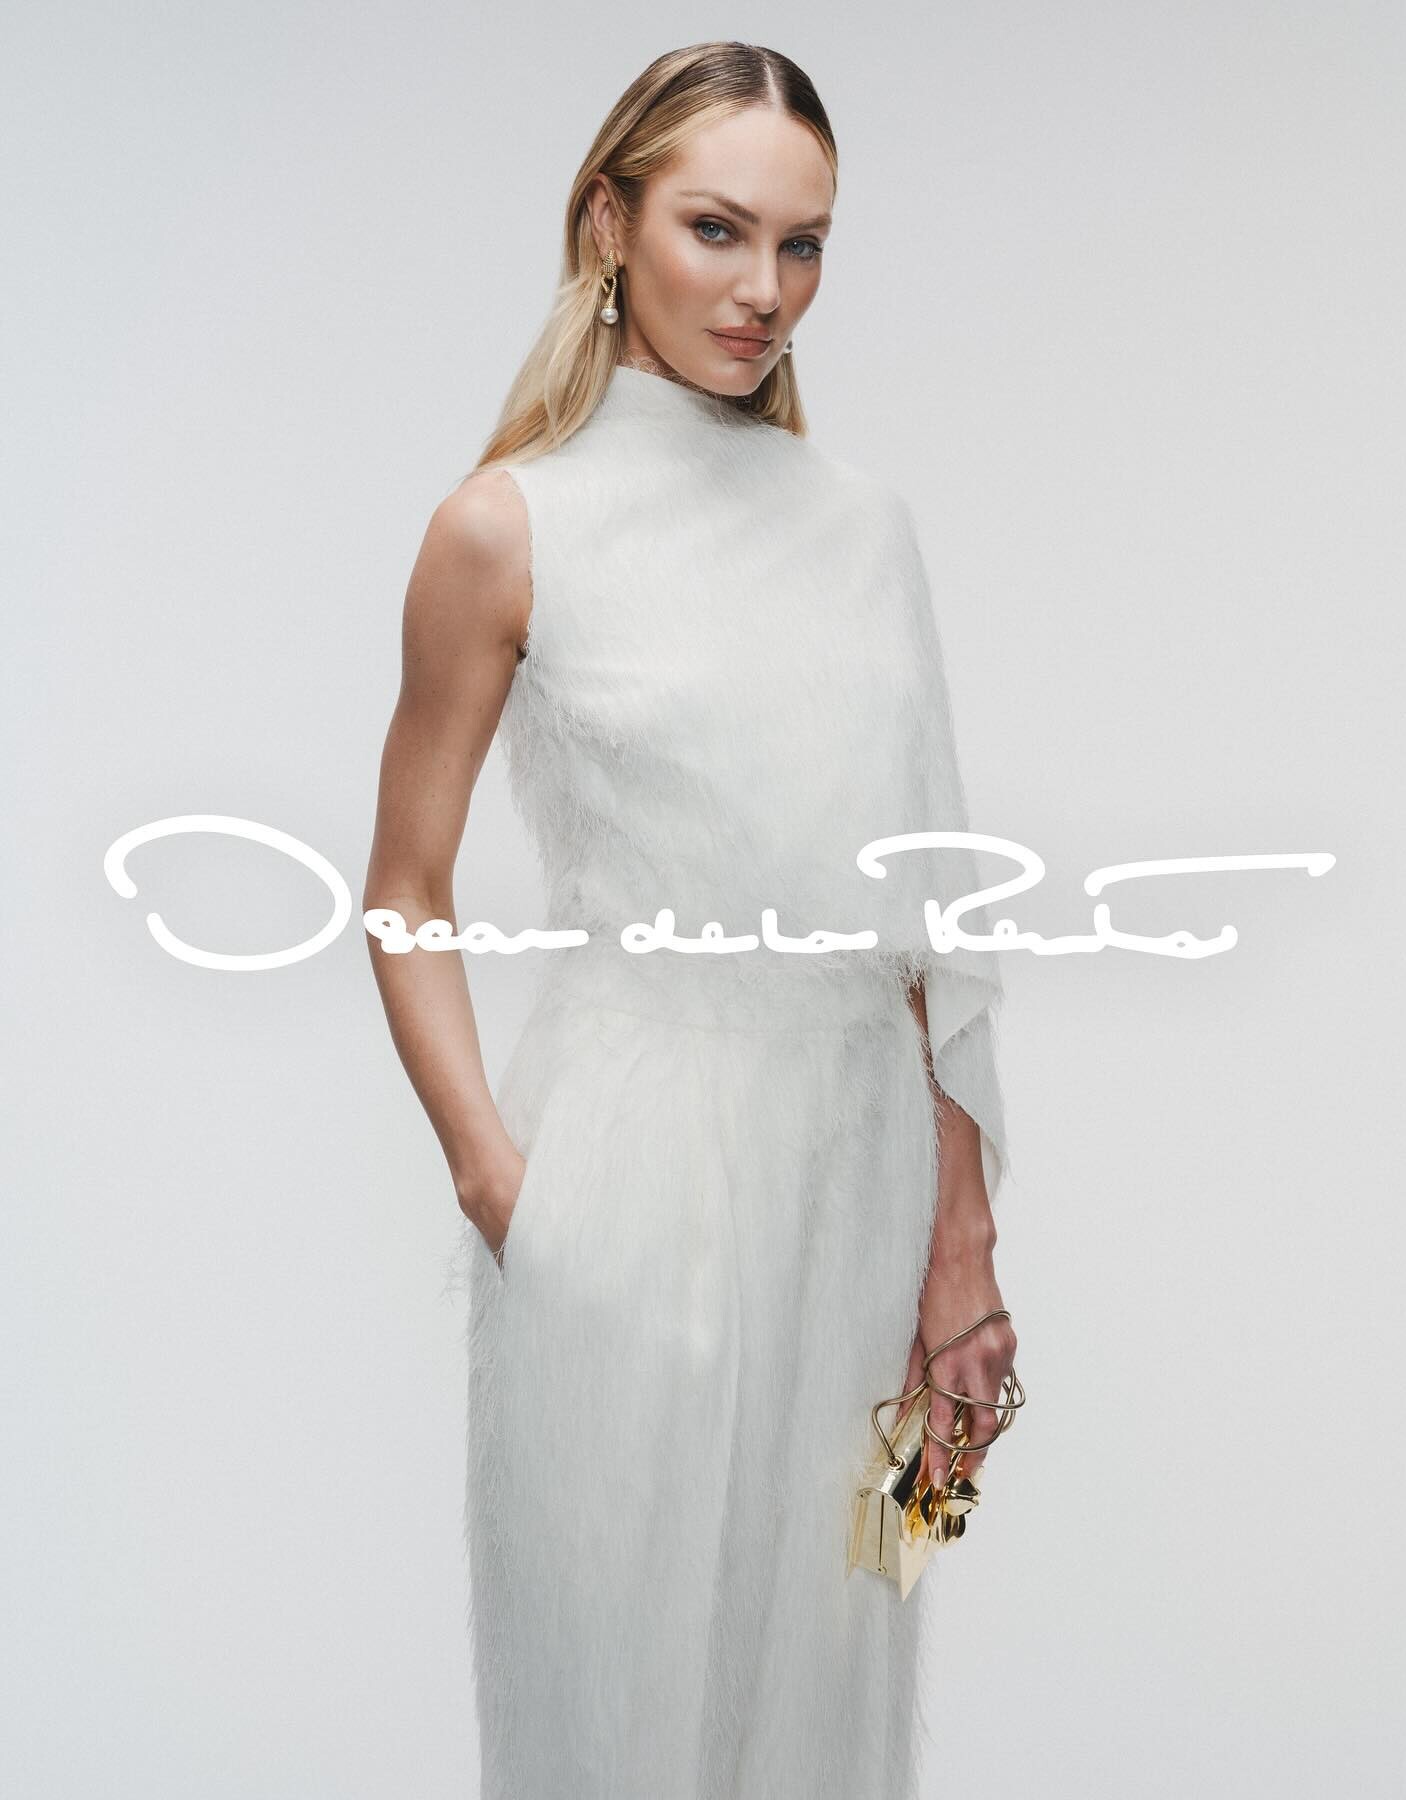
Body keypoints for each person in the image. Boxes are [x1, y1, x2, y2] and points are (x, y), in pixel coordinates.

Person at [364, 40, 1020, 1800]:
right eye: (717, 230)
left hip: (859, 1193)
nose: (763, 291)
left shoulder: (866, 531)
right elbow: (403, 891)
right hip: (624, 1187)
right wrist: (502, 1185)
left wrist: (960, 1254)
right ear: (610, 221)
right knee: (616, 1715)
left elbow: (932, 922)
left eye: (803, 246)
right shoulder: (505, 530)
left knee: (825, 1702)